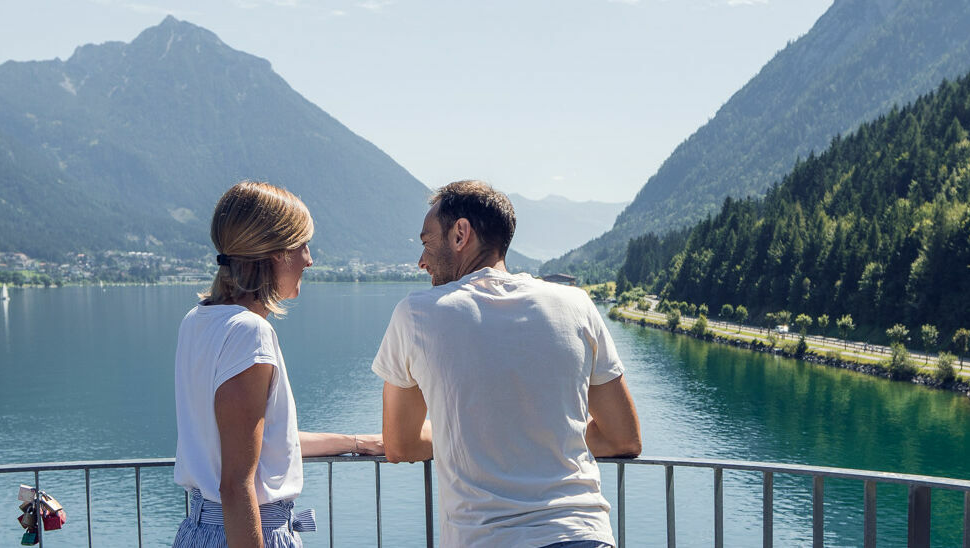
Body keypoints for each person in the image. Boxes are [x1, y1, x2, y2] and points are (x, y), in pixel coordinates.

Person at [372, 180, 643, 548]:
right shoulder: (576, 305)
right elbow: (623, 437)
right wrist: (540, 439)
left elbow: (400, 445)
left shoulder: (417, 314)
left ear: (460, 234)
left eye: (426, 242)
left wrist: (470, 435)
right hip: (584, 535)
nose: (422, 261)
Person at [174, 181, 382, 548]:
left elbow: (256, 443)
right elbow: (238, 485)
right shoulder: (249, 332)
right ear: (276, 254)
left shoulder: (199, 320)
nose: (309, 259)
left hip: (202, 529)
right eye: (302, 245)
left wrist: (356, 442)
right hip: (246, 533)